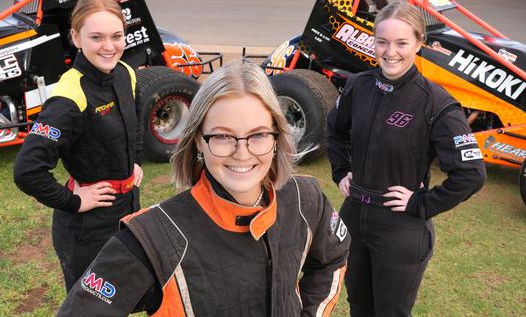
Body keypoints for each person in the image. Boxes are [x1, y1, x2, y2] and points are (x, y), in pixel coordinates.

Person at [57, 62, 350, 316]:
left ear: (277, 137)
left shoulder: (306, 200)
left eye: (258, 135)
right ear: (198, 139)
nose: (243, 153)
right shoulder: (152, 237)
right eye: (223, 136)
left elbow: (333, 257)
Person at [327, 1, 487, 317]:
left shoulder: (435, 102)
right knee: (359, 306)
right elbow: (335, 131)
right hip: (354, 218)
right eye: (382, 41)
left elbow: (471, 174)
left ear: (418, 42)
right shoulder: (358, 87)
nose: (390, 52)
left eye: (401, 43)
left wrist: (420, 204)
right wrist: (341, 169)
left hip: (400, 229)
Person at [13, 0, 144, 292]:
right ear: (76, 37)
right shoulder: (69, 98)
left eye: (116, 36)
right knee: (89, 307)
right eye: (96, 37)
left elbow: (134, 119)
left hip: (127, 210)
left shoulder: (125, 74)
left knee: (120, 298)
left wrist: (135, 161)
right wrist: (75, 201)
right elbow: (27, 171)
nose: (109, 47)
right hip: (87, 228)